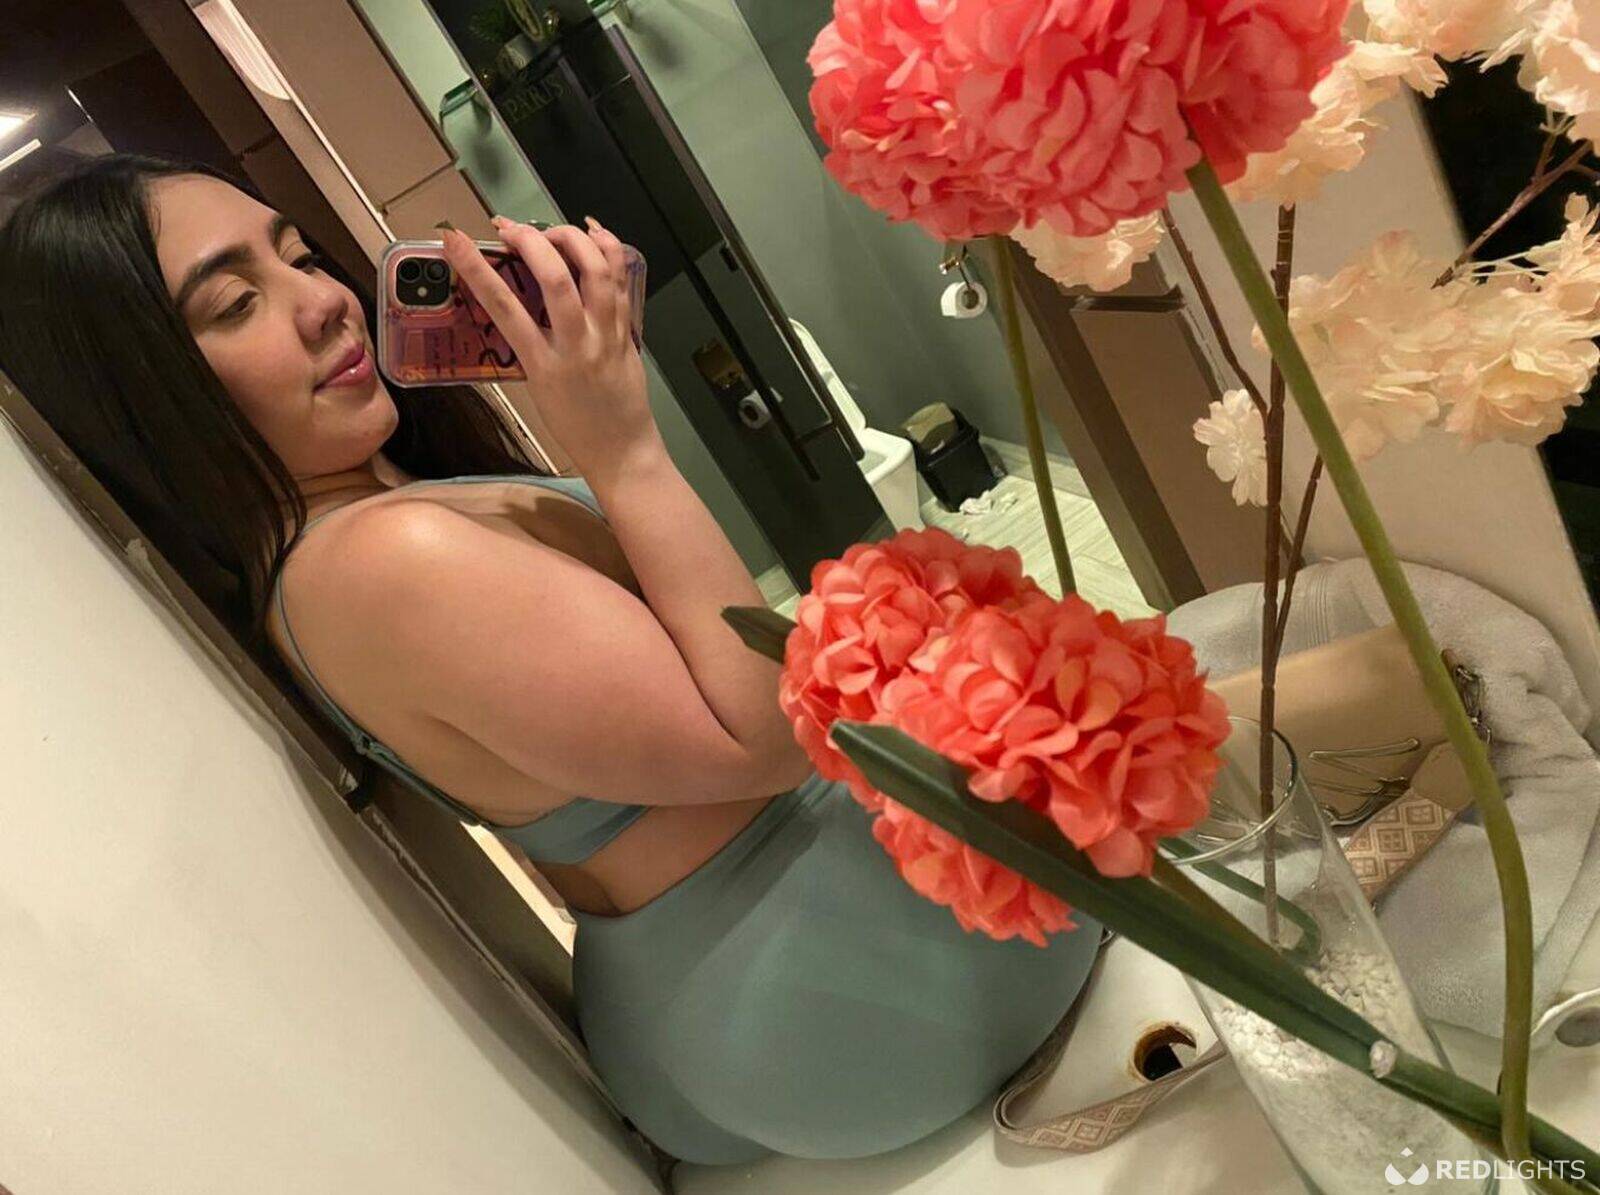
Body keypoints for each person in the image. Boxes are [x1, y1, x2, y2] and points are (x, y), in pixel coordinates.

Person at [0, 154, 1099, 1166]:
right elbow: (757, 742)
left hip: (749, 974)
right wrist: (621, 446)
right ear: (147, 400)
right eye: (235, 302)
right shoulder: (381, 559)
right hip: (823, 977)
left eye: (295, 254)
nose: (324, 297)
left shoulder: (383, 508)